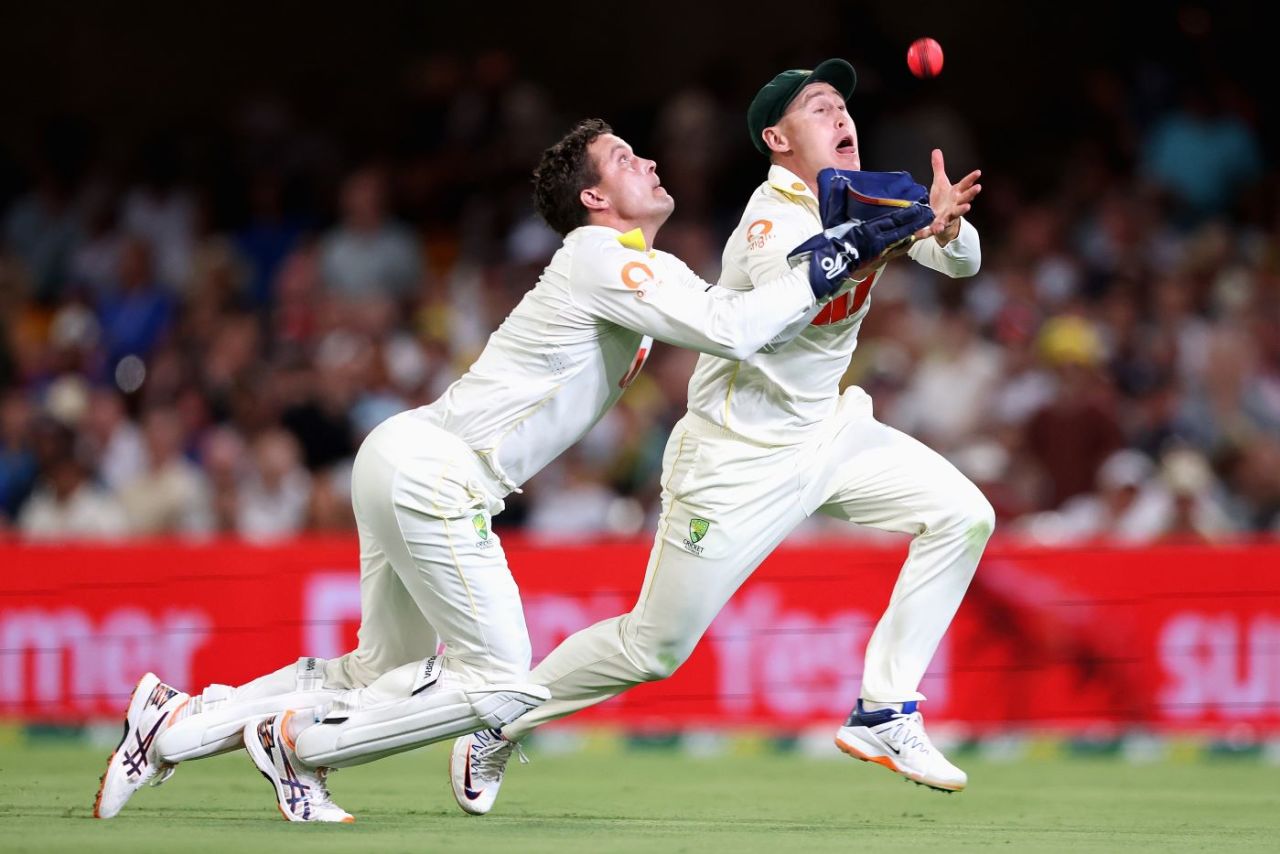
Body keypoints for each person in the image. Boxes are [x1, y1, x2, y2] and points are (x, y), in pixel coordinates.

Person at [95, 117, 925, 822]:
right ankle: (299, 742)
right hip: (436, 473)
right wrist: (846, 246)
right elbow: (736, 328)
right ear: (595, 199)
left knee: (376, 669)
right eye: (629, 160)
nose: (653, 163)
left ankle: (175, 722)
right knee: (498, 687)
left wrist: (849, 253)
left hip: (405, 454)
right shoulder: (600, 254)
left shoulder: (637, 266)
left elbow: (742, 317)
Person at [451, 58, 988, 814]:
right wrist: (895, 227)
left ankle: (884, 709)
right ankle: (497, 718)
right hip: (735, 459)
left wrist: (947, 226)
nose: (842, 118)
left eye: (843, 106)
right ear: (777, 137)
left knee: (964, 514)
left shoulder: (867, 196)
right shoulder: (770, 223)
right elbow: (802, 284)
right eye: (820, 108)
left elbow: (960, 264)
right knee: (652, 648)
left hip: (826, 432)